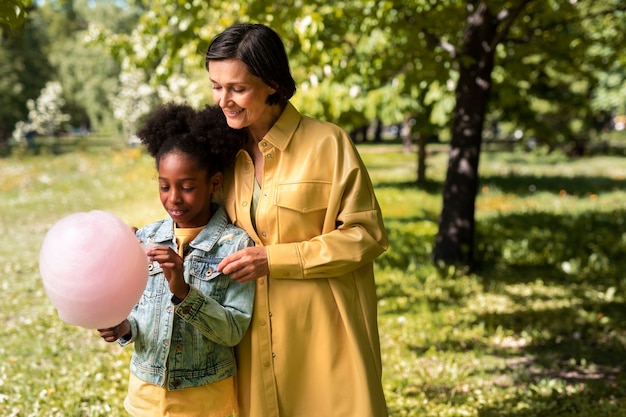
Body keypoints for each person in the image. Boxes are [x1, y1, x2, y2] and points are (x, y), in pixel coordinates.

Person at [205, 23, 389, 417]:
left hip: (324, 342)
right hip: (250, 340)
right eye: (216, 86)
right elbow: (205, 228)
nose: (224, 101)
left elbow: (367, 235)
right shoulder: (221, 151)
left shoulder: (328, 143)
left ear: (272, 82)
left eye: (237, 88)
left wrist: (274, 259)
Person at [97, 102, 255, 417]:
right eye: (164, 187)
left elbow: (232, 330)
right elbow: (140, 319)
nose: (174, 198)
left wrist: (182, 289)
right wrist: (122, 327)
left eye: (187, 187)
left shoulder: (236, 246)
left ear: (214, 183)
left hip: (204, 403)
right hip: (145, 400)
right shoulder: (144, 239)